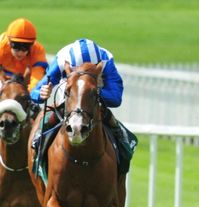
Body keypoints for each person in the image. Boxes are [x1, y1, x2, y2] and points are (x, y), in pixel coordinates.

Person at [30, 38, 135, 173]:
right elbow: (35, 92)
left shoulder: (105, 60)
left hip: (95, 103)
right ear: (71, 66)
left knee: (121, 135)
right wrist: (42, 93)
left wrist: (89, 90)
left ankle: (122, 163)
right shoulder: (62, 59)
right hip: (67, 100)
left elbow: (116, 98)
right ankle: (38, 157)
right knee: (42, 128)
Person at [0, 18, 48, 92]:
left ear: (31, 45)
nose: (20, 53)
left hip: (24, 79)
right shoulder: (1, 45)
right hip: (4, 75)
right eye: (16, 46)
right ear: (9, 42)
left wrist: (29, 93)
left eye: (25, 47)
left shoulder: (38, 50)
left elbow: (37, 78)